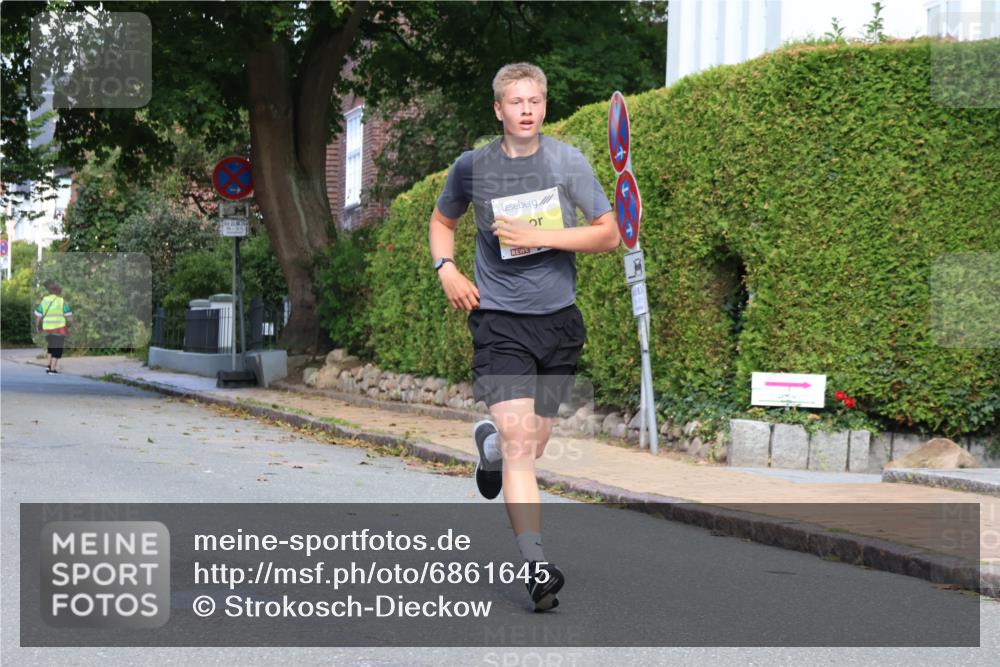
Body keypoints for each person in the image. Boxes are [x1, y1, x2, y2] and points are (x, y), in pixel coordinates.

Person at [429, 63, 618, 612]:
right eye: (516, 101)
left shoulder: (567, 161)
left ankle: (487, 449)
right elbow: (443, 221)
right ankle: (536, 565)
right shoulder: (473, 167)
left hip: (559, 322)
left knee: (529, 447)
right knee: (520, 446)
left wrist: (542, 235)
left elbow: (609, 232)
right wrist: (447, 270)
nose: (527, 109)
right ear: (499, 109)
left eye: (535, 100)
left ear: (544, 105)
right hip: (500, 322)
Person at [35, 281, 73, 374]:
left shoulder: (45, 300)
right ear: (59, 292)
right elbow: (69, 316)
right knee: (57, 349)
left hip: (47, 329)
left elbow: (39, 316)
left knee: (50, 348)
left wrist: (37, 326)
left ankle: (48, 366)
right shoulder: (61, 301)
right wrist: (75, 325)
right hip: (59, 329)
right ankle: (52, 369)